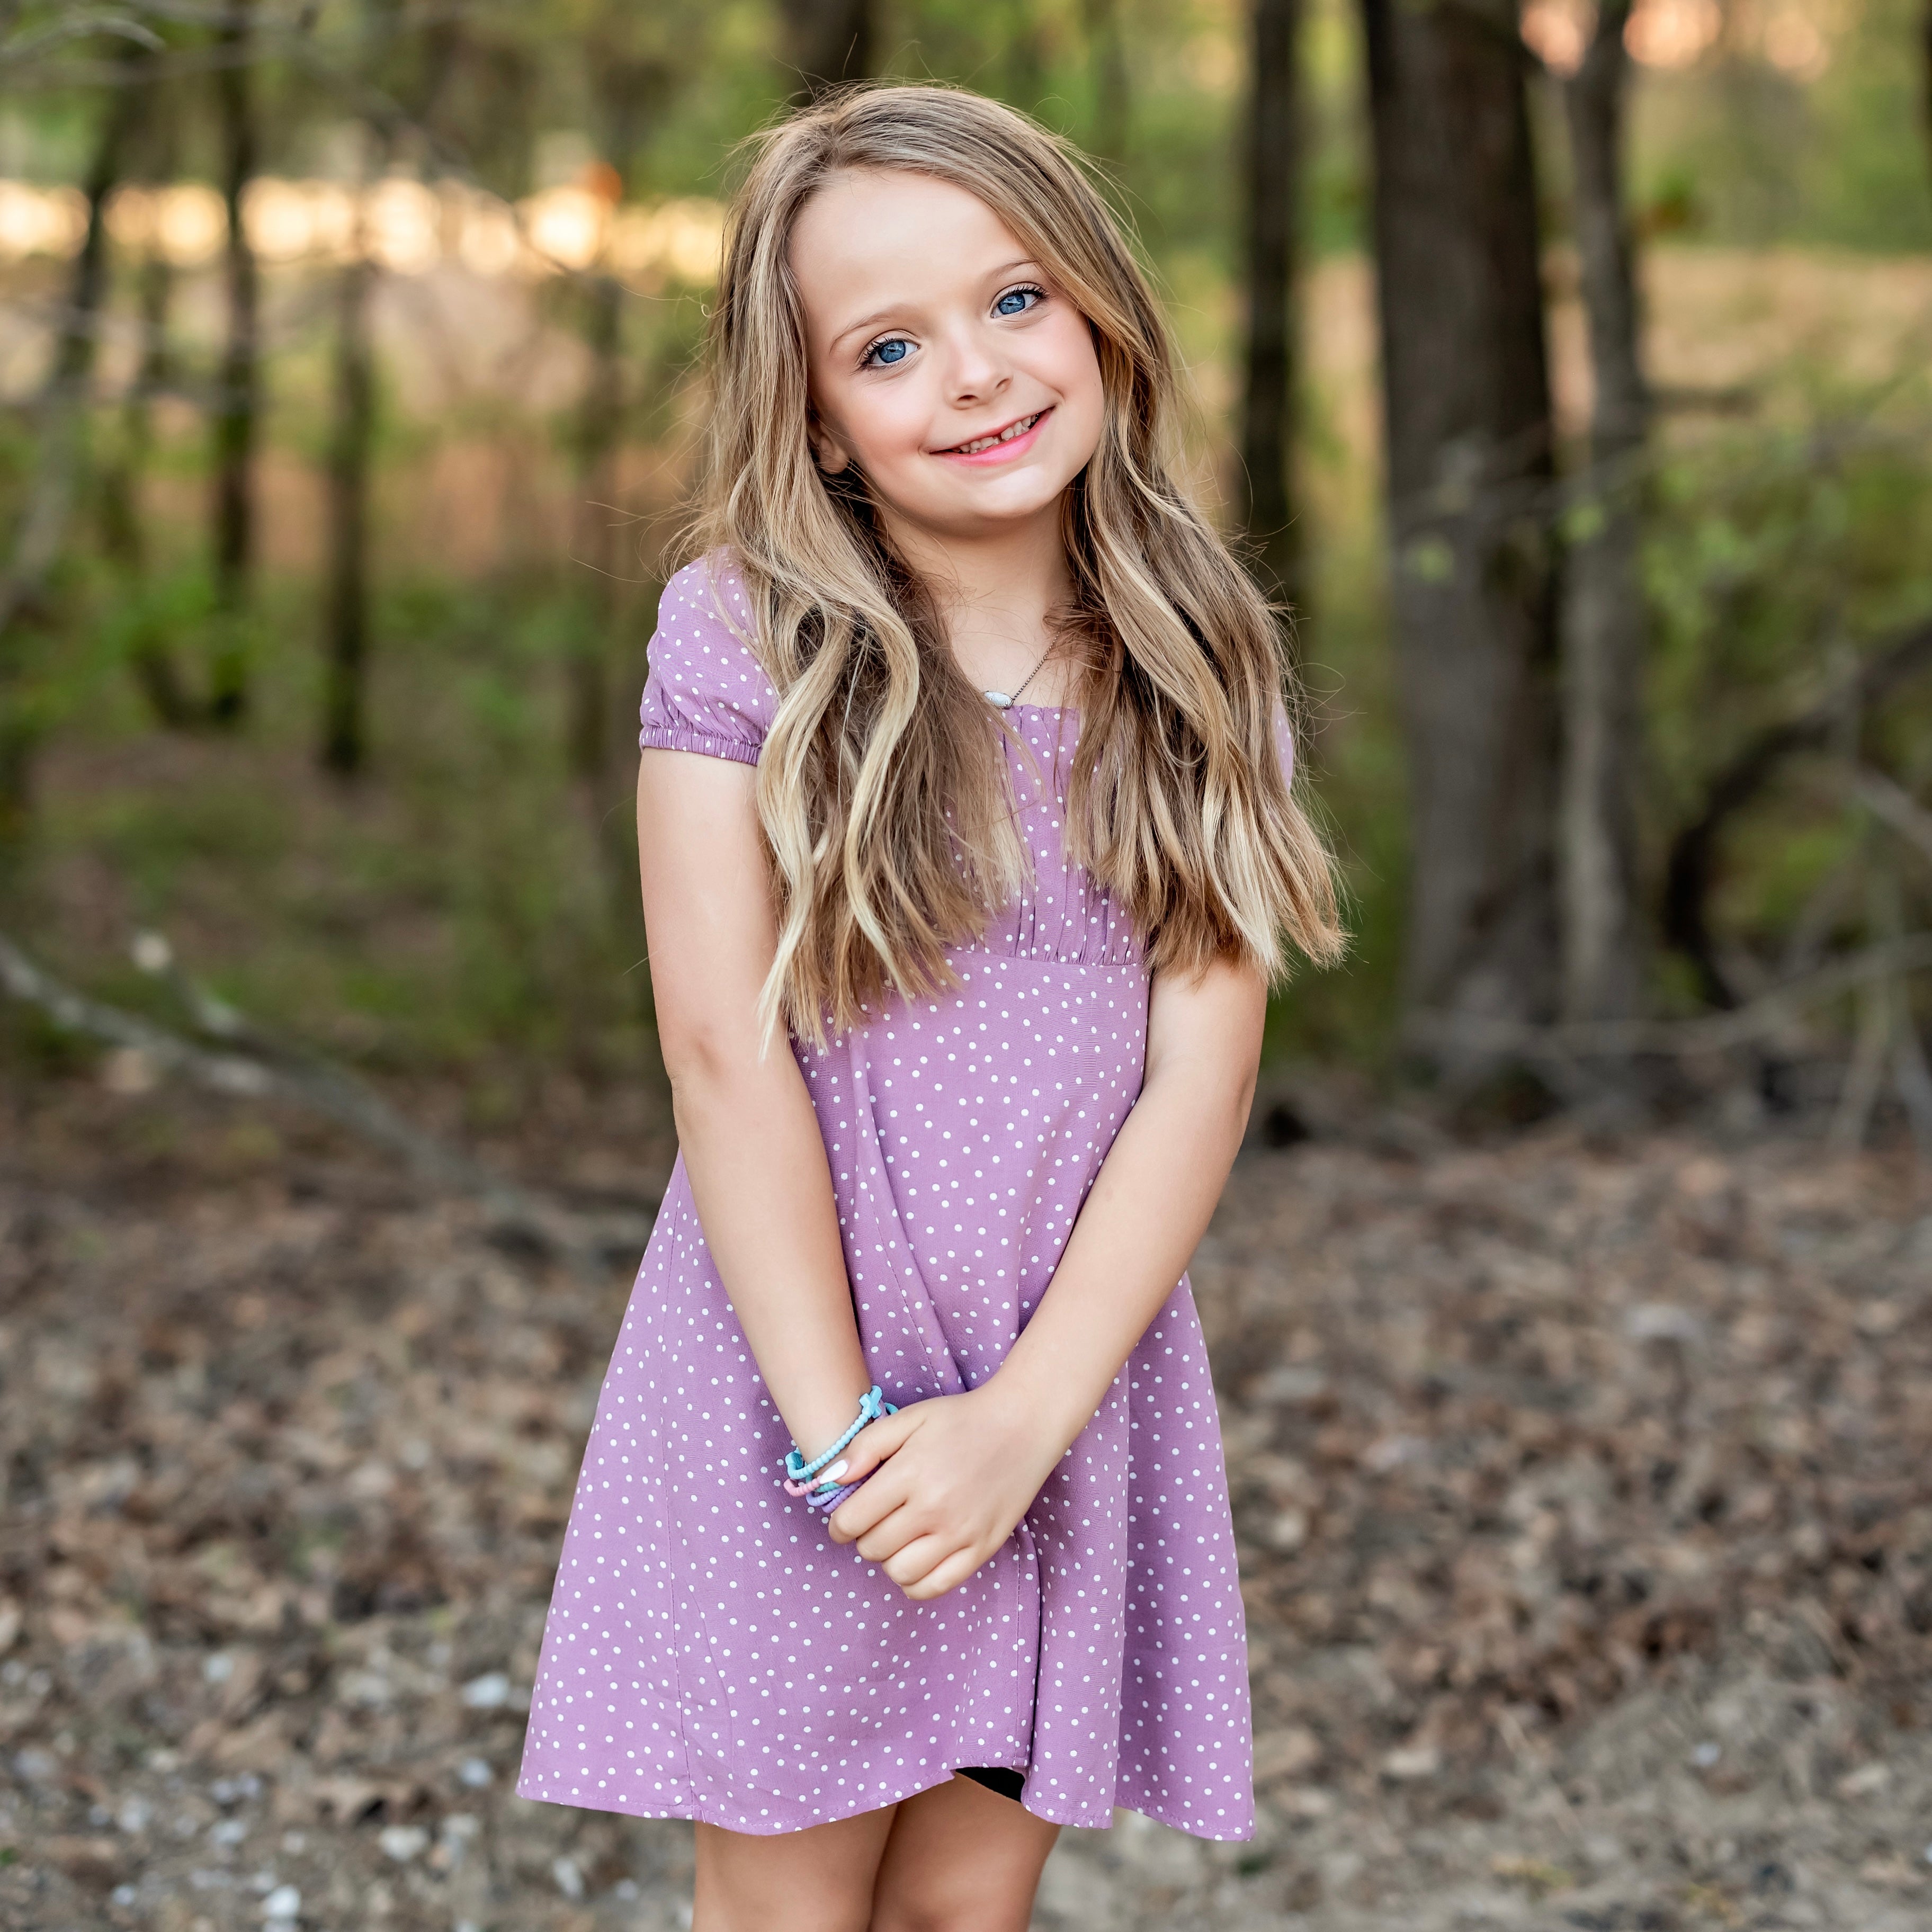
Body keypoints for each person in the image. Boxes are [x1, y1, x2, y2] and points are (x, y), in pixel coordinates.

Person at [515, 82, 1344, 1932]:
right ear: (816, 416)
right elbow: (720, 1052)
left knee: (964, 1911)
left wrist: (1024, 1424)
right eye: (888, 346)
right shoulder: (746, 635)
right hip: (805, 1384)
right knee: (790, 1911)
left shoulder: (1195, 663)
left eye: (1016, 299)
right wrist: (850, 1451)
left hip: (1065, 1381)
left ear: (1101, 310)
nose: (974, 372)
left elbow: (1201, 1080)